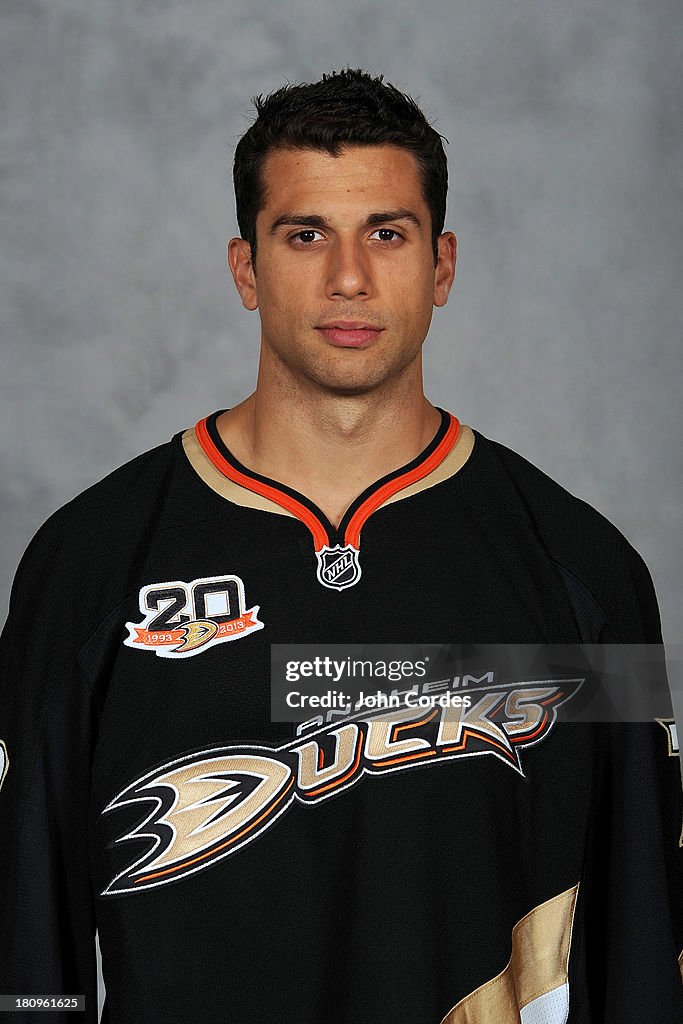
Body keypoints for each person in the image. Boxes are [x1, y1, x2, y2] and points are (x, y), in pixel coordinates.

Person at [0, 68, 681, 1024]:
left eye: (386, 235)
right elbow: (28, 942)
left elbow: (640, 936)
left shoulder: (586, 574)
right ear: (245, 268)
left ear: (442, 265)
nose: (348, 278)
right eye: (305, 234)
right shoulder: (88, 563)